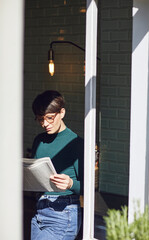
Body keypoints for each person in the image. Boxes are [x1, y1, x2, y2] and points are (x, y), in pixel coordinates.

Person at [30, 90, 84, 240]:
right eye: (40, 119)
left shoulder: (76, 144)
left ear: (62, 112)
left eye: (49, 118)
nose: (45, 124)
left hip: (63, 213)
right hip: (40, 211)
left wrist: (71, 183)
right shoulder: (39, 140)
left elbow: (89, 188)